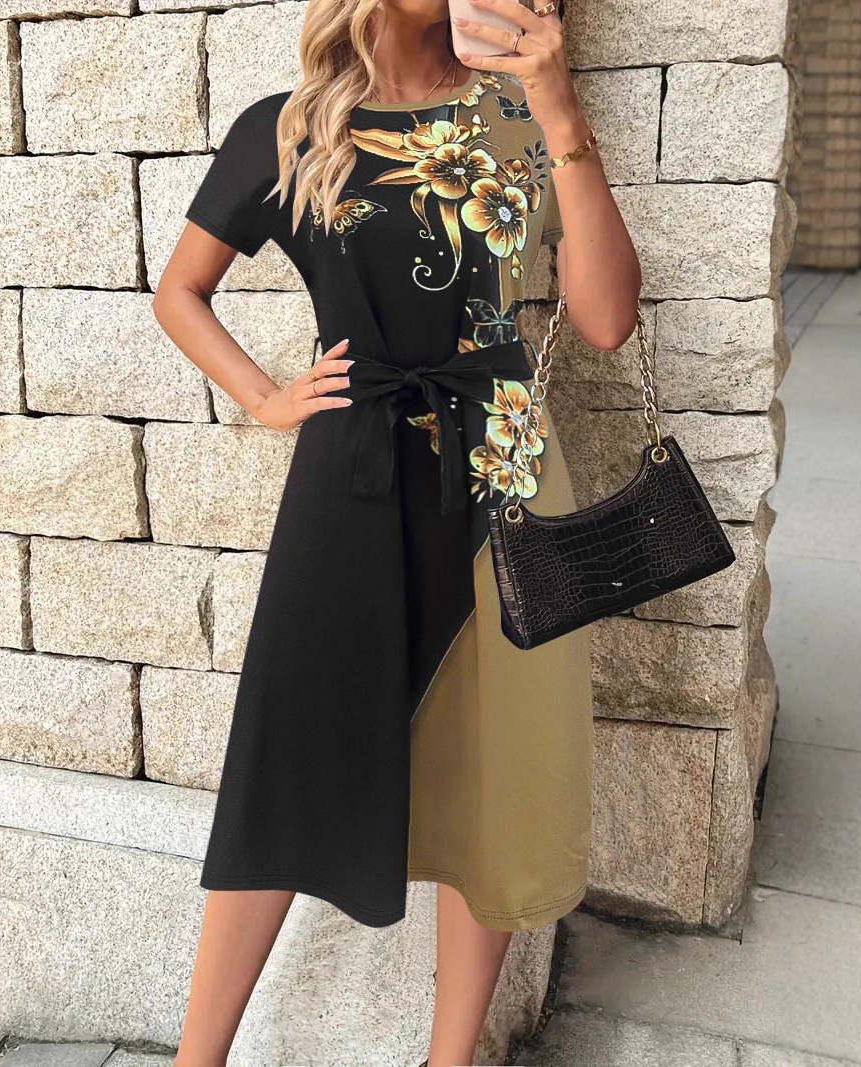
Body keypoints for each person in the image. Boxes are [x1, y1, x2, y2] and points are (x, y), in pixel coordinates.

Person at [152, 0, 640, 1061]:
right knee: (289, 753)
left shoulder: (519, 117)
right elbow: (180, 290)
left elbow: (605, 319)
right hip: (350, 476)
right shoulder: (288, 128)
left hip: (506, 470)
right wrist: (266, 396)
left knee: (495, 774)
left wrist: (559, 108)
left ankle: (447, 1059)